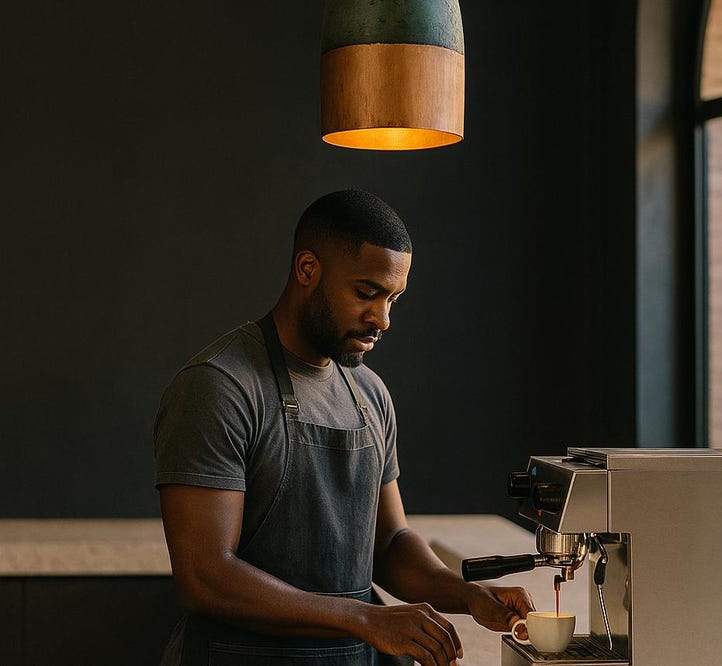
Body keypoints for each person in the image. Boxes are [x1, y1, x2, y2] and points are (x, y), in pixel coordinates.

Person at [153, 189, 533, 666]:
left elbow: (391, 544)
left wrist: (466, 595)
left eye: (393, 298)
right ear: (308, 270)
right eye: (366, 293)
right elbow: (205, 576)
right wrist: (365, 617)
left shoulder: (370, 395)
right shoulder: (219, 387)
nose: (383, 318)